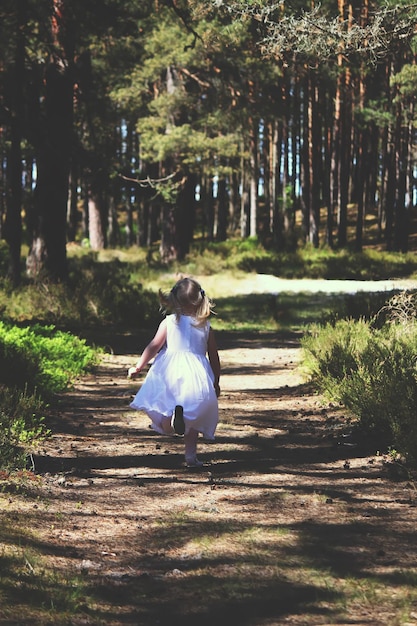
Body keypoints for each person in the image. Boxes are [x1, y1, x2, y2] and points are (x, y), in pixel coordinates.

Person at [128, 277, 221, 468]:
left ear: (175, 301)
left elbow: (154, 346)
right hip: (197, 374)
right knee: (193, 418)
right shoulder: (205, 326)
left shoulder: (169, 322)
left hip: (169, 371)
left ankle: (170, 422)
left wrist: (138, 366)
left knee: (165, 409)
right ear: (200, 300)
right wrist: (216, 381)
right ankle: (190, 457)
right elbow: (213, 356)